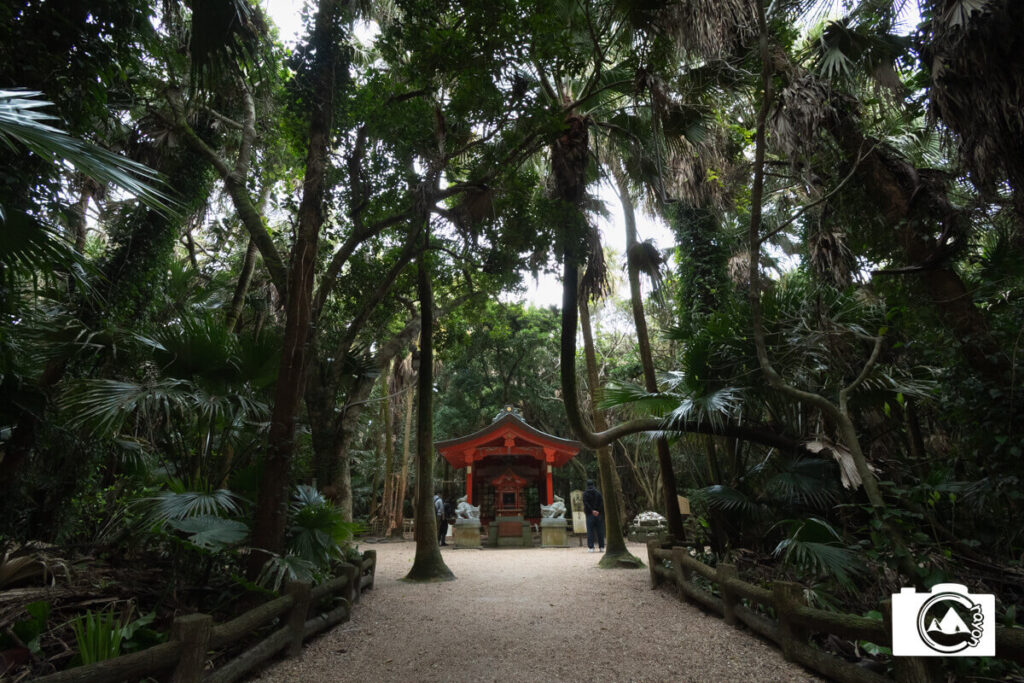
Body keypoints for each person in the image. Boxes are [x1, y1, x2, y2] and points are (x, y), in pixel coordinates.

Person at [582, 479, 604, 553]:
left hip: (589, 514)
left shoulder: (585, 493)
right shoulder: (598, 493)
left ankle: (591, 547)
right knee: (600, 530)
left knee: (590, 531)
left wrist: (592, 510)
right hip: (598, 514)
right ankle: (601, 547)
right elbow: (601, 503)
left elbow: (586, 503)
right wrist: (597, 510)